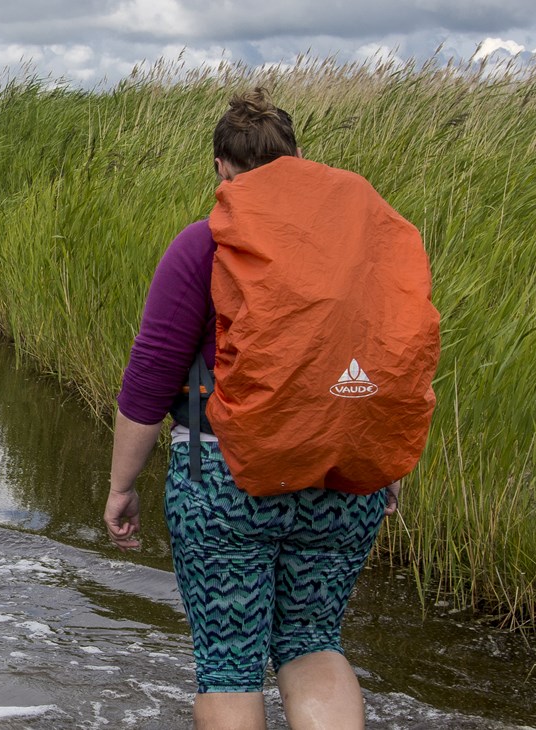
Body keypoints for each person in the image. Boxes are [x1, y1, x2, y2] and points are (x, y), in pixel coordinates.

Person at [103, 88, 437, 730]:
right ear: (298, 159)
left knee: (229, 666)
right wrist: (383, 463)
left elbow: (150, 379)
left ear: (221, 170)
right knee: (313, 642)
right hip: (343, 479)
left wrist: (122, 487)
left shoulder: (204, 246)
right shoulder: (359, 246)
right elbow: (396, 358)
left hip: (225, 477)